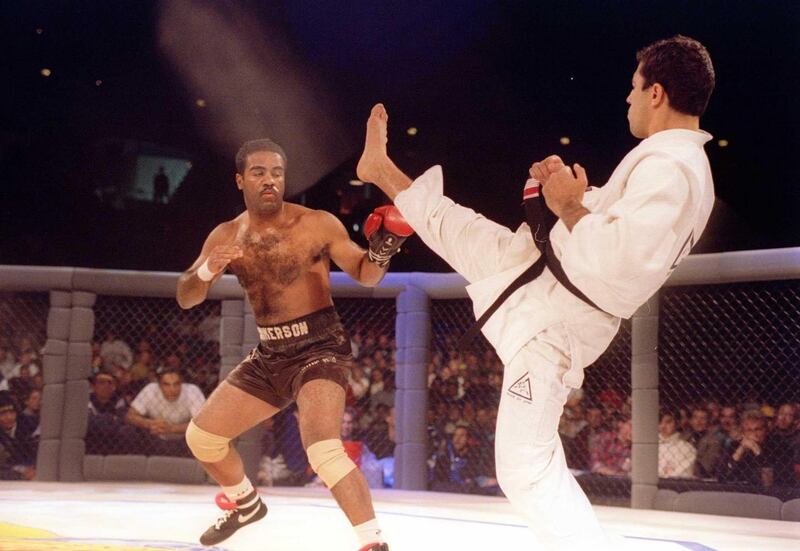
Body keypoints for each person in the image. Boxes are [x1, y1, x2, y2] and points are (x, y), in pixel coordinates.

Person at [356, 34, 715, 550]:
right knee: (458, 228)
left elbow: (622, 259)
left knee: (523, 467)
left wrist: (568, 205)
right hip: (543, 282)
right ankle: (380, 170)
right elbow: (612, 229)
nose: (628, 99)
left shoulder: (673, 170)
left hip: (559, 321)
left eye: (634, 89)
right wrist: (569, 192)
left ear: (656, 93)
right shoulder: (662, 162)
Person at [176, 138, 411, 550]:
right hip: (271, 354)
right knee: (202, 438)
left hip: (320, 346)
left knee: (322, 448)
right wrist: (210, 268)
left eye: (277, 173)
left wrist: (382, 250)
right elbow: (186, 295)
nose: (270, 181)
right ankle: (245, 504)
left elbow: (366, 274)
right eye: (259, 173)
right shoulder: (226, 234)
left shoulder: (317, 223)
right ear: (240, 180)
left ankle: (373, 543)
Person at [124, 367, 205, 457]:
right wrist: (150, 423)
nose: (172, 389)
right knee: (128, 430)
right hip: (155, 437)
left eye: (176, 384)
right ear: (159, 385)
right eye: (166, 385)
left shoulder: (192, 391)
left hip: (186, 439)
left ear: (182, 383)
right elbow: (130, 416)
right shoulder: (150, 389)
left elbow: (202, 424)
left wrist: (172, 428)